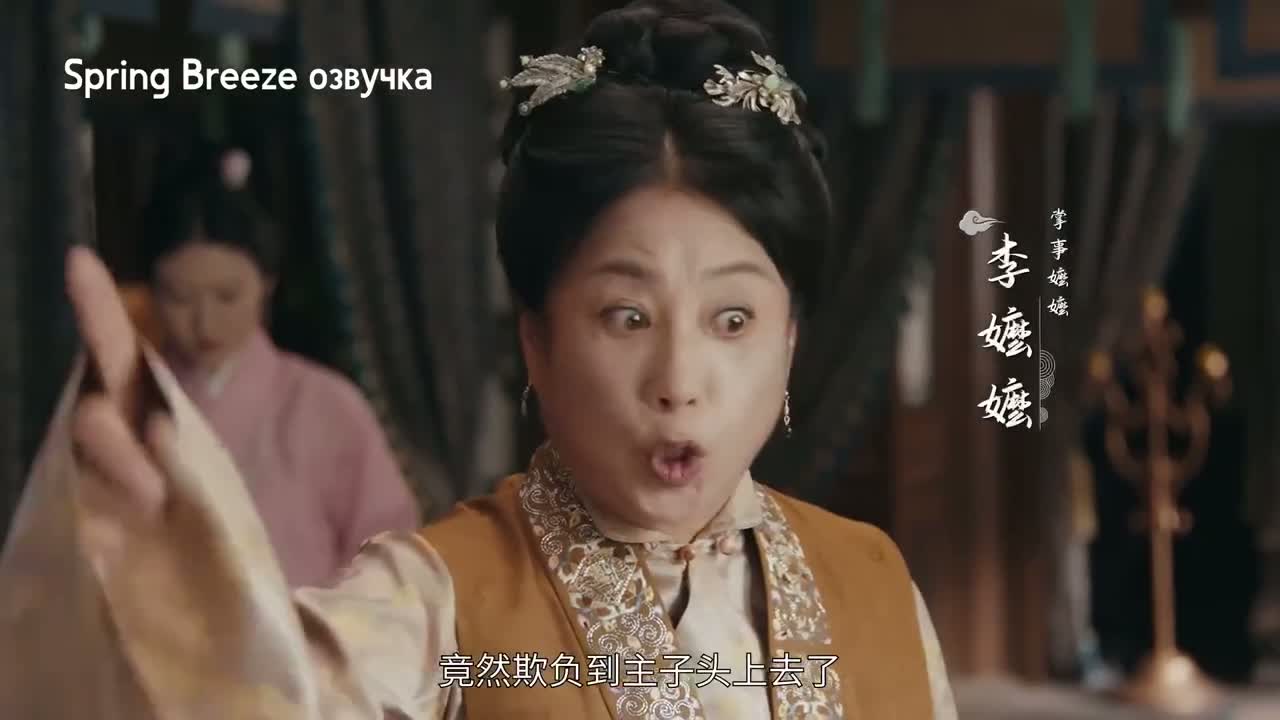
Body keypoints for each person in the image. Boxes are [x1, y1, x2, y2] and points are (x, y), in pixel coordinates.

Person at [0, 1, 956, 717]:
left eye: (733, 319)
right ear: (536, 339)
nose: (679, 382)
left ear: (790, 342)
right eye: (626, 316)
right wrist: (159, 582)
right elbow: (275, 691)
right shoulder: (437, 600)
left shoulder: (873, 580)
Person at [139, 146, 420, 587]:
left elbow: (389, 554)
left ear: (267, 283)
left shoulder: (327, 404)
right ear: (152, 291)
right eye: (179, 298)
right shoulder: (128, 401)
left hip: (308, 629)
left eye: (227, 295)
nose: (204, 322)